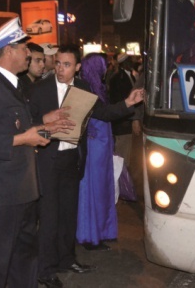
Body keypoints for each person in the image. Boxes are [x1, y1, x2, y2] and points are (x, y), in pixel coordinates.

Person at [0, 17, 71, 288]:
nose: (28, 53)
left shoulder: (14, 85)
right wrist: (26, 137)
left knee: (23, 262)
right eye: (23, 48)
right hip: (0, 192)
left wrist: (43, 125)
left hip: (23, 189)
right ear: (9, 51)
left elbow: (16, 128)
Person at [29, 44, 144, 288]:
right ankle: (45, 270)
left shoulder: (83, 87)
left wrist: (127, 103)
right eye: (58, 63)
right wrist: (44, 120)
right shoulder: (39, 90)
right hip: (47, 160)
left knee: (68, 216)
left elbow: (103, 112)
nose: (60, 68)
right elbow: (26, 122)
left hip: (72, 160)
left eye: (67, 65)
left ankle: (66, 260)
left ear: (77, 67)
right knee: (49, 219)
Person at [76, 53, 117, 251]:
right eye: (103, 65)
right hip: (93, 149)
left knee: (102, 190)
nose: (107, 69)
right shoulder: (86, 90)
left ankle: (102, 231)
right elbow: (103, 114)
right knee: (91, 191)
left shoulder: (97, 88)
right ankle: (89, 236)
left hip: (102, 147)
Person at [109, 54, 137, 171]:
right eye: (129, 60)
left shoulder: (130, 75)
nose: (132, 62)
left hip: (127, 121)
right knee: (122, 156)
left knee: (128, 154)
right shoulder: (117, 78)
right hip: (122, 123)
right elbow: (118, 102)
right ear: (123, 63)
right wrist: (127, 120)